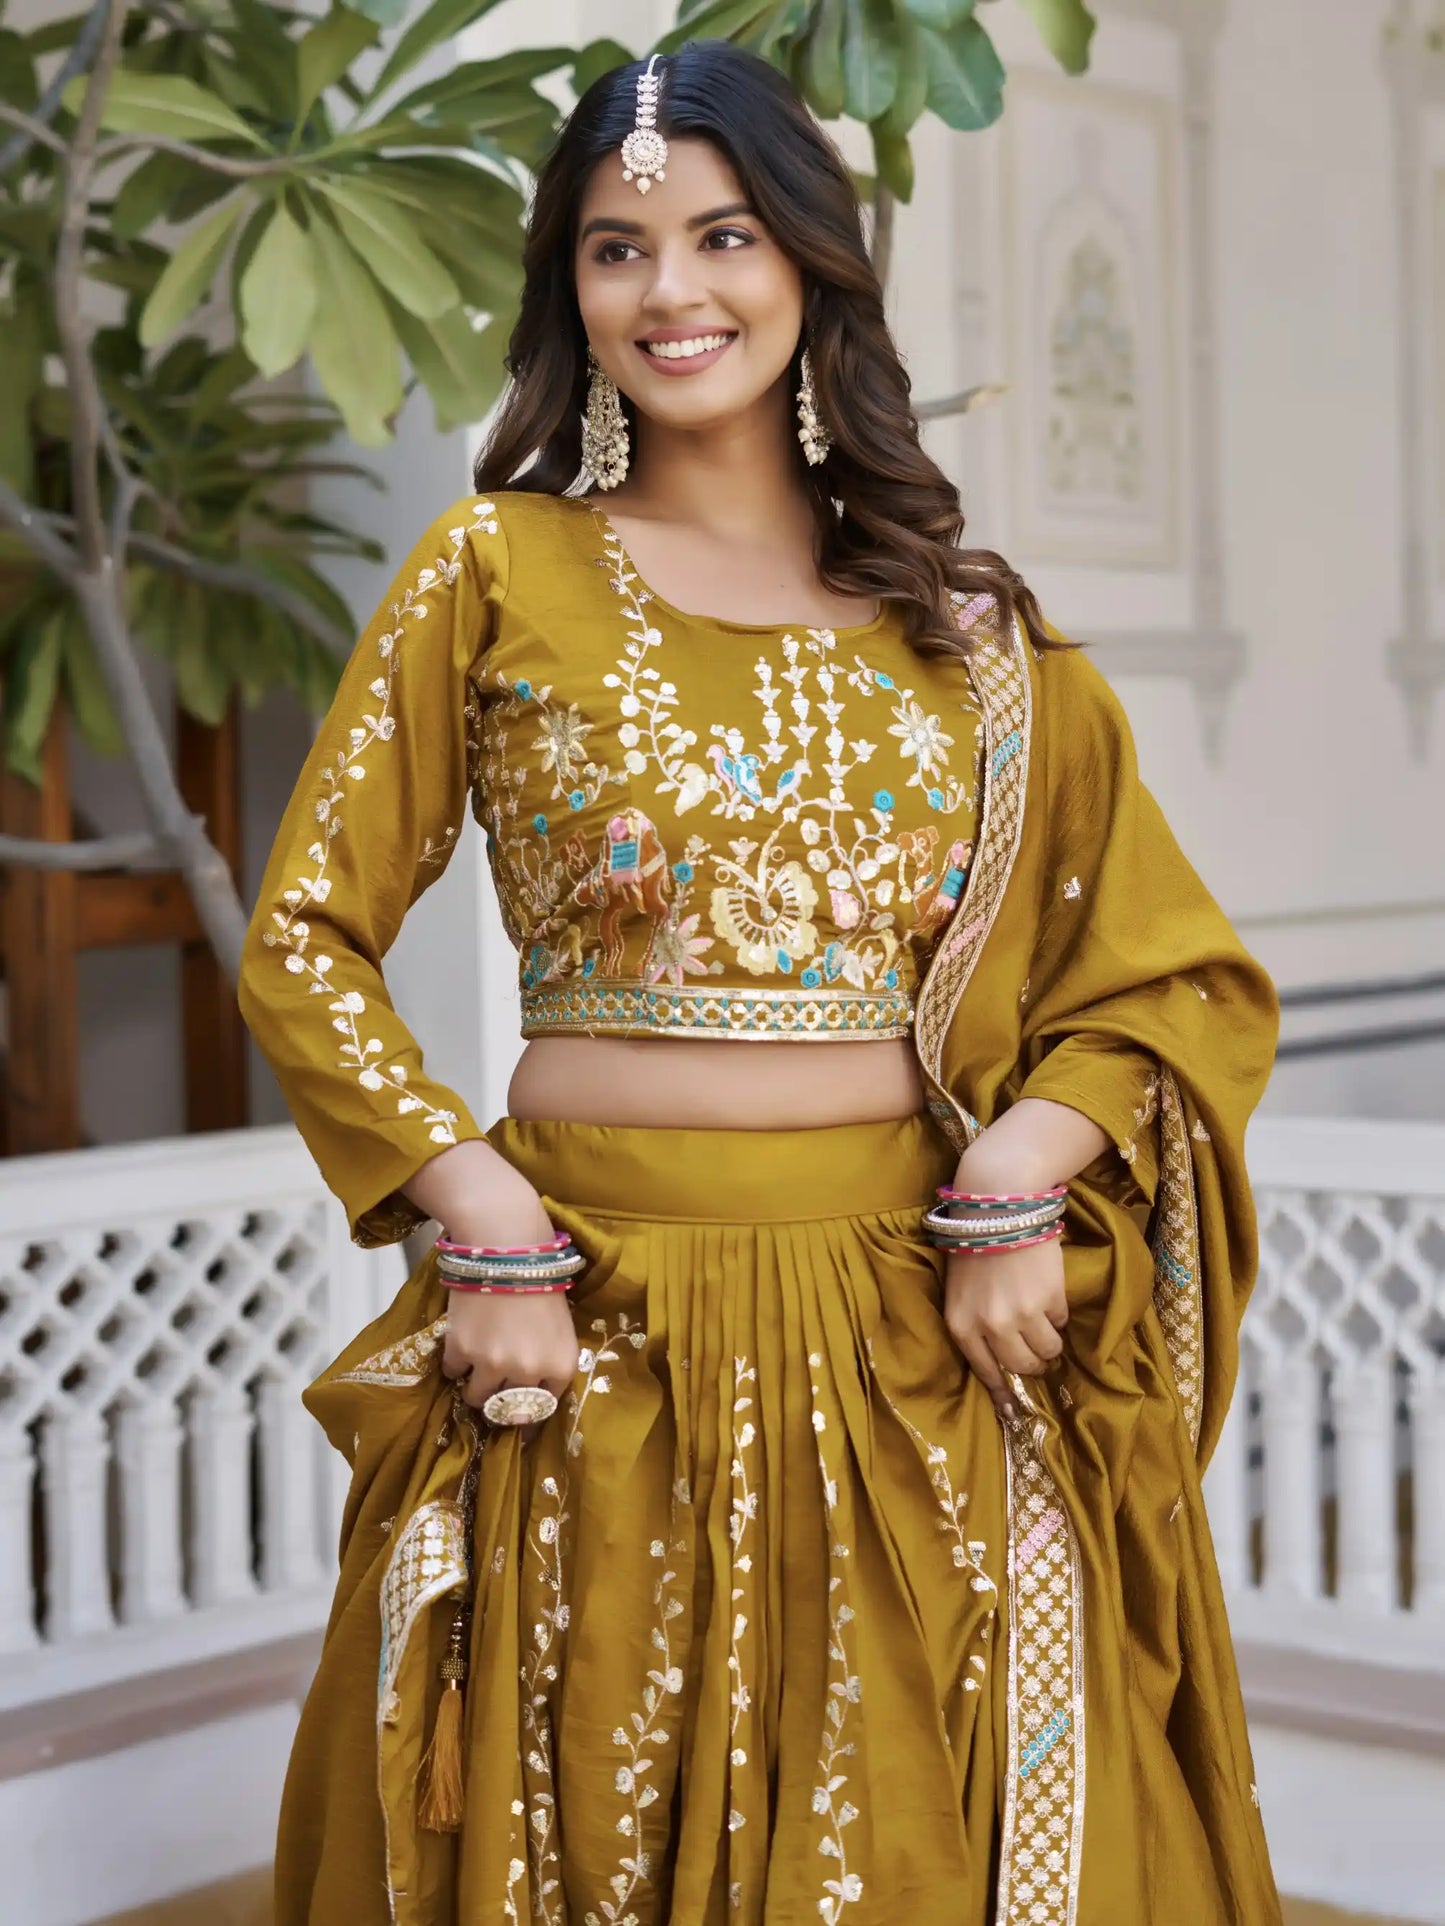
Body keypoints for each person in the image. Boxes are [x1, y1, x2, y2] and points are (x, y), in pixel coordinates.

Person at [238, 40, 1282, 1926]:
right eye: (616, 247)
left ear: (809, 263)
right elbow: (304, 934)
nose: (672, 290)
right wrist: (474, 1210)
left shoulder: (962, 631)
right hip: (581, 1331)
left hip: (907, 1340)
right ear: (569, 287)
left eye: (723, 236)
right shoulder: (494, 568)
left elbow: (1164, 976)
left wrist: (1019, 1174)